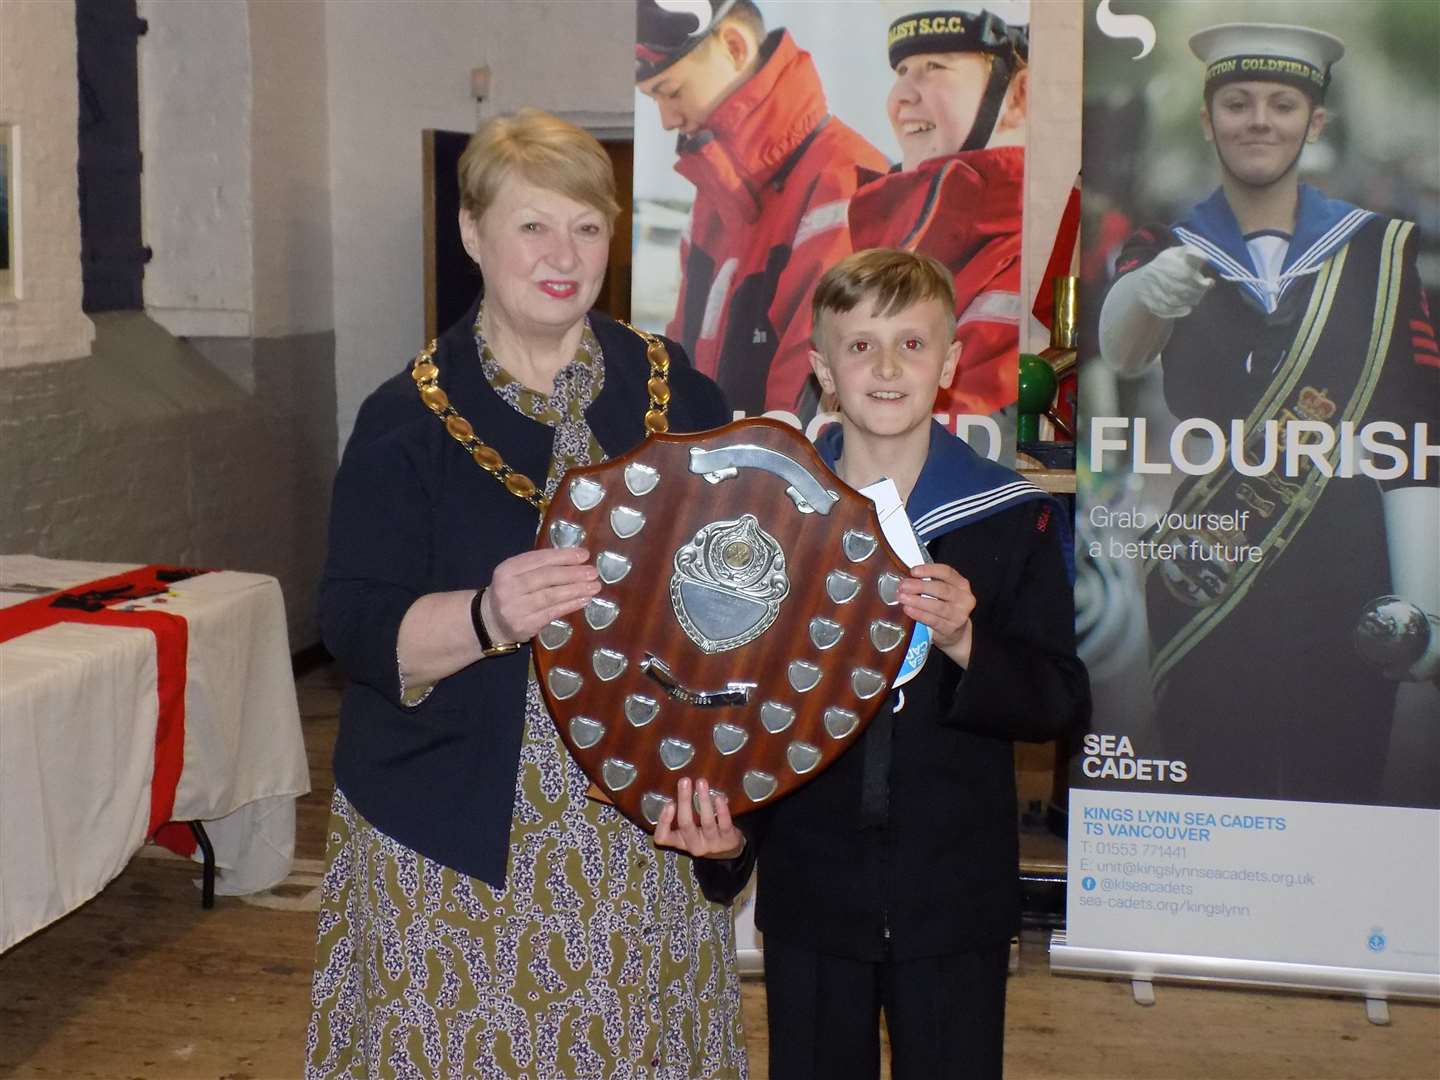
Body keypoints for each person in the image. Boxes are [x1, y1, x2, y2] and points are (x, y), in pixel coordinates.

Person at [306, 109, 749, 1079]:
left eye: (588, 227)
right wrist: (487, 616)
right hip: (452, 844)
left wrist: (730, 789)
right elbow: (355, 624)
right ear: (473, 234)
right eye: (533, 226)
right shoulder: (408, 420)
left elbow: (748, 618)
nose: (564, 254)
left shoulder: (682, 398)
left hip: (639, 839)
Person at [700, 248, 1090, 1079]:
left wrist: (965, 642)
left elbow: (1059, 700)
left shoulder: (1008, 518)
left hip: (954, 898)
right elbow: (743, 709)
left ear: (948, 364)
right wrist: (731, 840)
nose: (886, 367)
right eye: (860, 345)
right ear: (822, 372)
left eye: (912, 345)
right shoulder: (771, 520)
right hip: (812, 890)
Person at [1097, 23, 1440, 805]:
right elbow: (1121, 350)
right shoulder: (1169, 244)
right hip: (1207, 568)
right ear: (1209, 118)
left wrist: (1423, 609)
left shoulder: (1380, 253)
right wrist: (1143, 295)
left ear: (1315, 122)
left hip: (1349, 582)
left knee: (1340, 797)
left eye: (1283, 103)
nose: (1259, 119)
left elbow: (1417, 433)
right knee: (1210, 798)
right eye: (1237, 101)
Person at [635, 0, 887, 419]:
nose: (664, 120)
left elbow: (813, 387)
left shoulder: (843, 178)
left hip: (784, 478)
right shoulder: (711, 198)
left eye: (671, 91)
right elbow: (681, 369)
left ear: (735, 46)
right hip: (723, 475)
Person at [848, 8, 1029, 423]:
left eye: (934, 67)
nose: (902, 97)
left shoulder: (1037, 254)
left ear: (1020, 96)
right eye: (902, 70)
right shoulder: (874, 244)